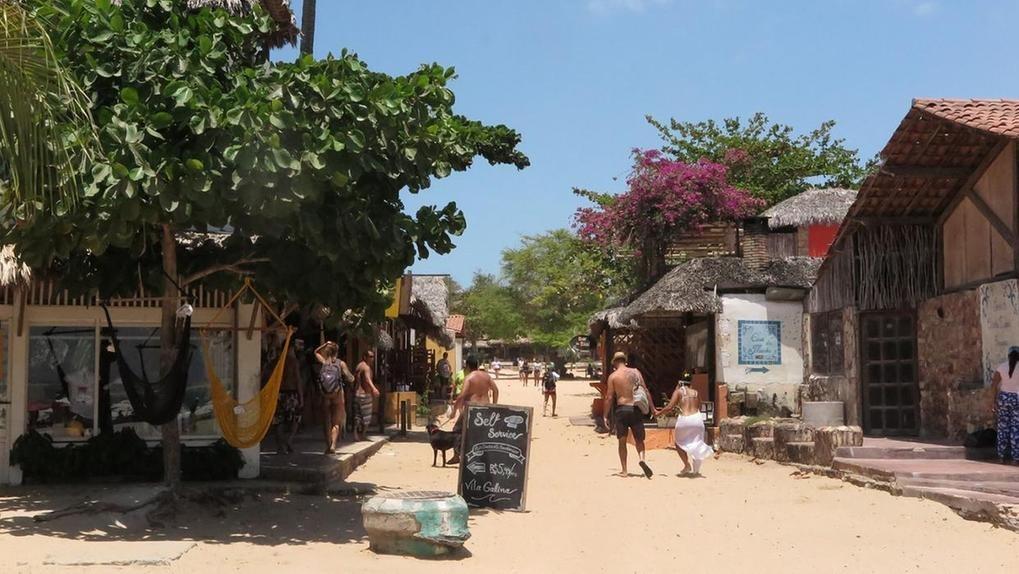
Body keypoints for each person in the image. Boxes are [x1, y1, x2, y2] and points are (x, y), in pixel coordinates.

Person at [604, 351, 654, 478]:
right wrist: (653, 408)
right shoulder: (636, 372)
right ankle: (642, 459)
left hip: (622, 410)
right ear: (625, 361)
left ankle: (625, 470)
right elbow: (645, 390)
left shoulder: (613, 376)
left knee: (622, 441)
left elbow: (609, 397)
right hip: (635, 409)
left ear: (615, 362)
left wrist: (605, 415)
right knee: (639, 439)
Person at [448, 355, 500, 465]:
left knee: (457, 430)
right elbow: (496, 390)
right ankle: (485, 458)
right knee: (483, 433)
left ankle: (456, 456)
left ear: (467, 366)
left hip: (472, 409)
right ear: (477, 365)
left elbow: (461, 396)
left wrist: (453, 411)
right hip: (486, 408)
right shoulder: (487, 377)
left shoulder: (469, 378)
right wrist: (494, 406)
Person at [656, 379, 714, 475]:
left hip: (685, 419)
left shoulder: (679, 392)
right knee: (697, 442)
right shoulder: (696, 392)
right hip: (697, 419)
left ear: (680, 385)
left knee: (679, 443)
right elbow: (700, 406)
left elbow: (670, 407)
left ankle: (687, 465)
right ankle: (696, 466)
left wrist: (659, 413)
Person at [314, 341, 354, 454]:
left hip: (325, 394)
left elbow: (315, 352)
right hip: (337, 394)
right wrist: (352, 379)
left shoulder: (323, 362)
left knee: (326, 420)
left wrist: (325, 344)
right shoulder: (341, 364)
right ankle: (333, 446)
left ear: (326, 352)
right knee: (336, 421)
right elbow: (350, 377)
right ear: (337, 352)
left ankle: (327, 445)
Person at [273, 344, 304, 455]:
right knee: (295, 419)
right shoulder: (293, 362)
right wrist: (301, 397)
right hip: (291, 393)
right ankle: (288, 440)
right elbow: (298, 380)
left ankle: (281, 446)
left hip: (279, 393)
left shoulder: (276, 361)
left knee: (279, 421)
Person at [992, 346, 1019, 463]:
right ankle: (1016, 458)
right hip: (1017, 398)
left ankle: (1001, 456)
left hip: (1004, 398)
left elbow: (994, 384)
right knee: (1016, 428)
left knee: (1003, 427)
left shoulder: (1001, 367)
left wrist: (993, 400)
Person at [354, 349, 380, 441]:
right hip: (365, 395)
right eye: (370, 357)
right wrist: (374, 388)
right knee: (367, 417)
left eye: (373, 356)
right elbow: (367, 379)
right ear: (364, 357)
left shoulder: (359, 366)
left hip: (357, 394)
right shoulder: (366, 368)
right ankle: (363, 435)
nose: (372, 359)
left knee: (357, 415)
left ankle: (356, 434)